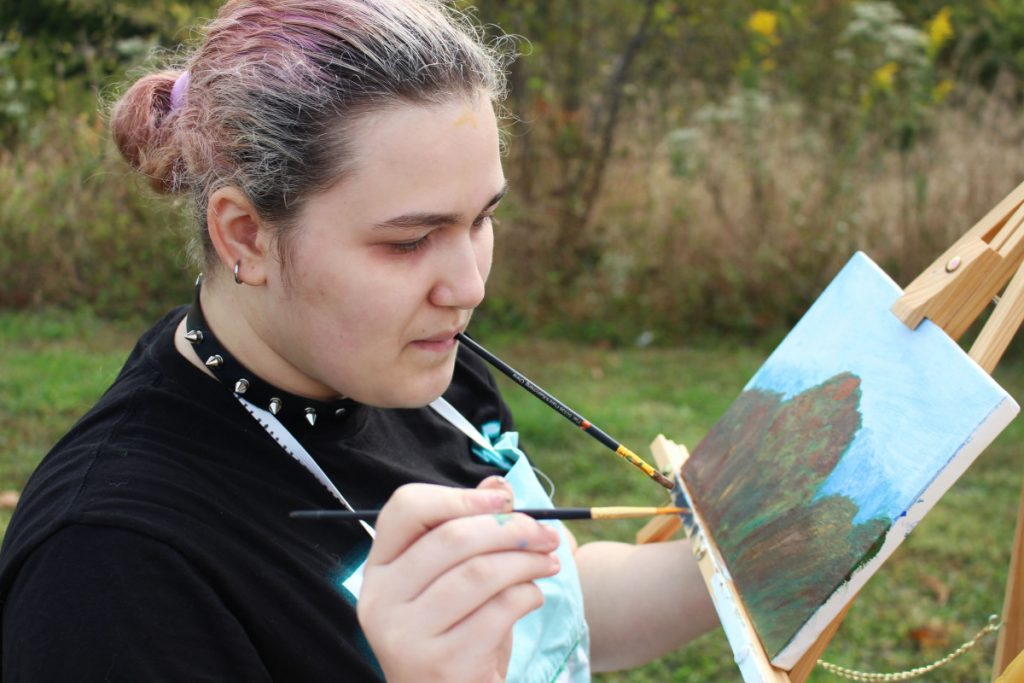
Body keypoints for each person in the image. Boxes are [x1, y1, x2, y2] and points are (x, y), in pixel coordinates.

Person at [0, 1, 716, 680]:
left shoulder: (424, 365)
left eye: (480, 221)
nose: (468, 286)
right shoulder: (107, 564)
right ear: (244, 233)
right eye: (410, 242)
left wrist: (768, 549)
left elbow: (553, 599)